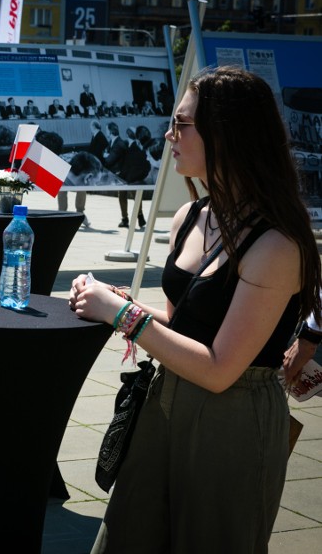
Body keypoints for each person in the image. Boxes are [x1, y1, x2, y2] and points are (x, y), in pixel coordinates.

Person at [71, 66, 322, 553]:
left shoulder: (275, 244)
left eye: (181, 124)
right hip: (164, 404)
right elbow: (181, 328)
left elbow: (220, 369)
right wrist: (124, 305)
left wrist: (123, 317)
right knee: (128, 536)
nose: (168, 135)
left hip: (233, 423)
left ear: (228, 133)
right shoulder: (190, 217)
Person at [58, 120, 106, 228]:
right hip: (75, 168)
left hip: (86, 166)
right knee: (63, 187)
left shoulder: (99, 136)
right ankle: (62, 213)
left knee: (81, 188)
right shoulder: (94, 136)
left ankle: (80, 213)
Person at [118, 125, 151, 229]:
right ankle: (140, 217)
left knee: (122, 195)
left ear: (128, 136)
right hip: (133, 177)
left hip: (126, 177)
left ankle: (125, 219)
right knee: (136, 197)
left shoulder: (128, 147)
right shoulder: (138, 147)